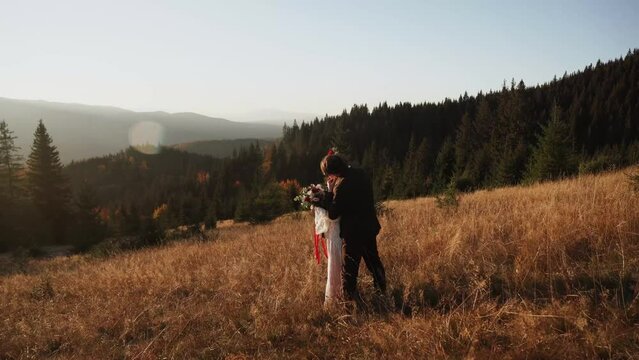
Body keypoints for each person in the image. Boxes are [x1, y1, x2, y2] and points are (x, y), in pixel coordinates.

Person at [314, 153, 387, 307]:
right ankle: (382, 292)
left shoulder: (342, 185)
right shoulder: (361, 173)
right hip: (369, 226)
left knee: (350, 269)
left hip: (354, 233)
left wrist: (322, 199)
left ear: (333, 172)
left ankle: (349, 303)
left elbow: (333, 213)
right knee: (374, 261)